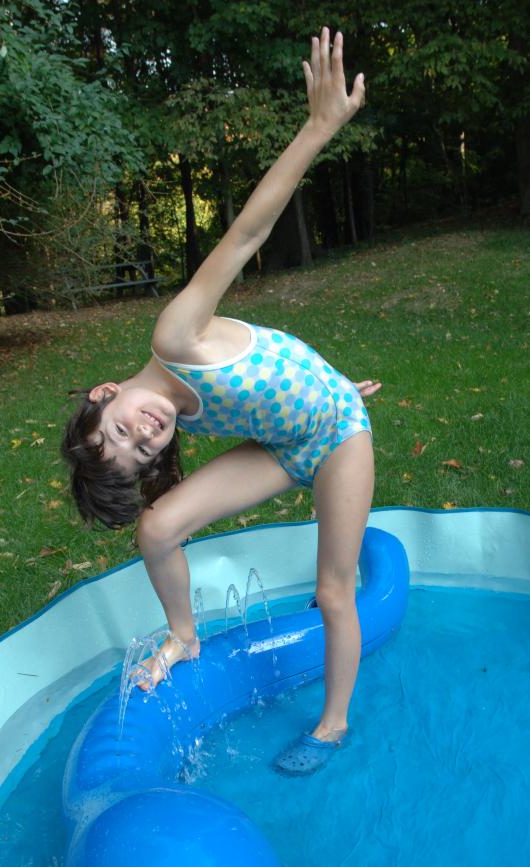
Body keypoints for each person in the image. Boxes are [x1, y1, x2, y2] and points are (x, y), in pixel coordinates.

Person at [62, 27, 381, 774]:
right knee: (156, 528)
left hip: (337, 432)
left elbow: (246, 235)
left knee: (334, 590)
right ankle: (184, 636)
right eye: (142, 451)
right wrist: (321, 379)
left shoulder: (175, 337)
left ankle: (332, 725)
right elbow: (276, 380)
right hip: (285, 444)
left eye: (122, 428)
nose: (146, 435)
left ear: (106, 392)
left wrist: (318, 128)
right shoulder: (176, 411)